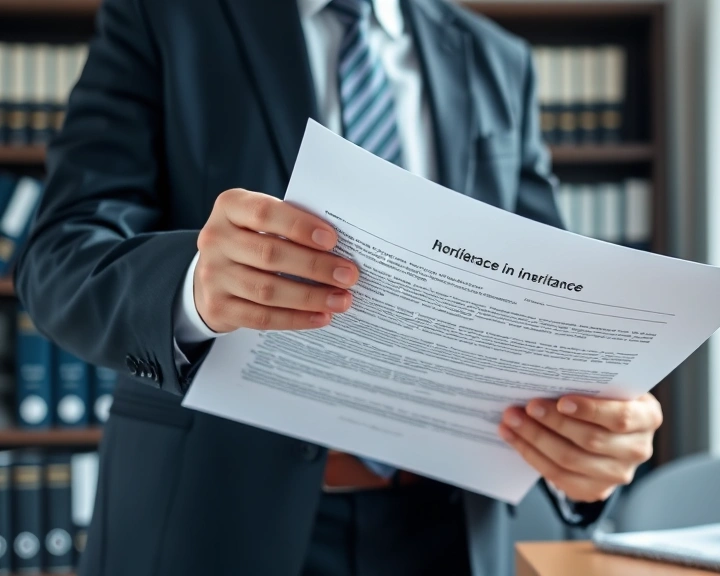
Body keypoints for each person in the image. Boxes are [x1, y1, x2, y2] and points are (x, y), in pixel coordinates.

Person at [13, 0, 663, 574]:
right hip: (212, 521)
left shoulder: (498, 60)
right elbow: (58, 257)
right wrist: (192, 286)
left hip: (450, 533)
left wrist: (594, 445)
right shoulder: (164, 15)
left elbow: (549, 320)